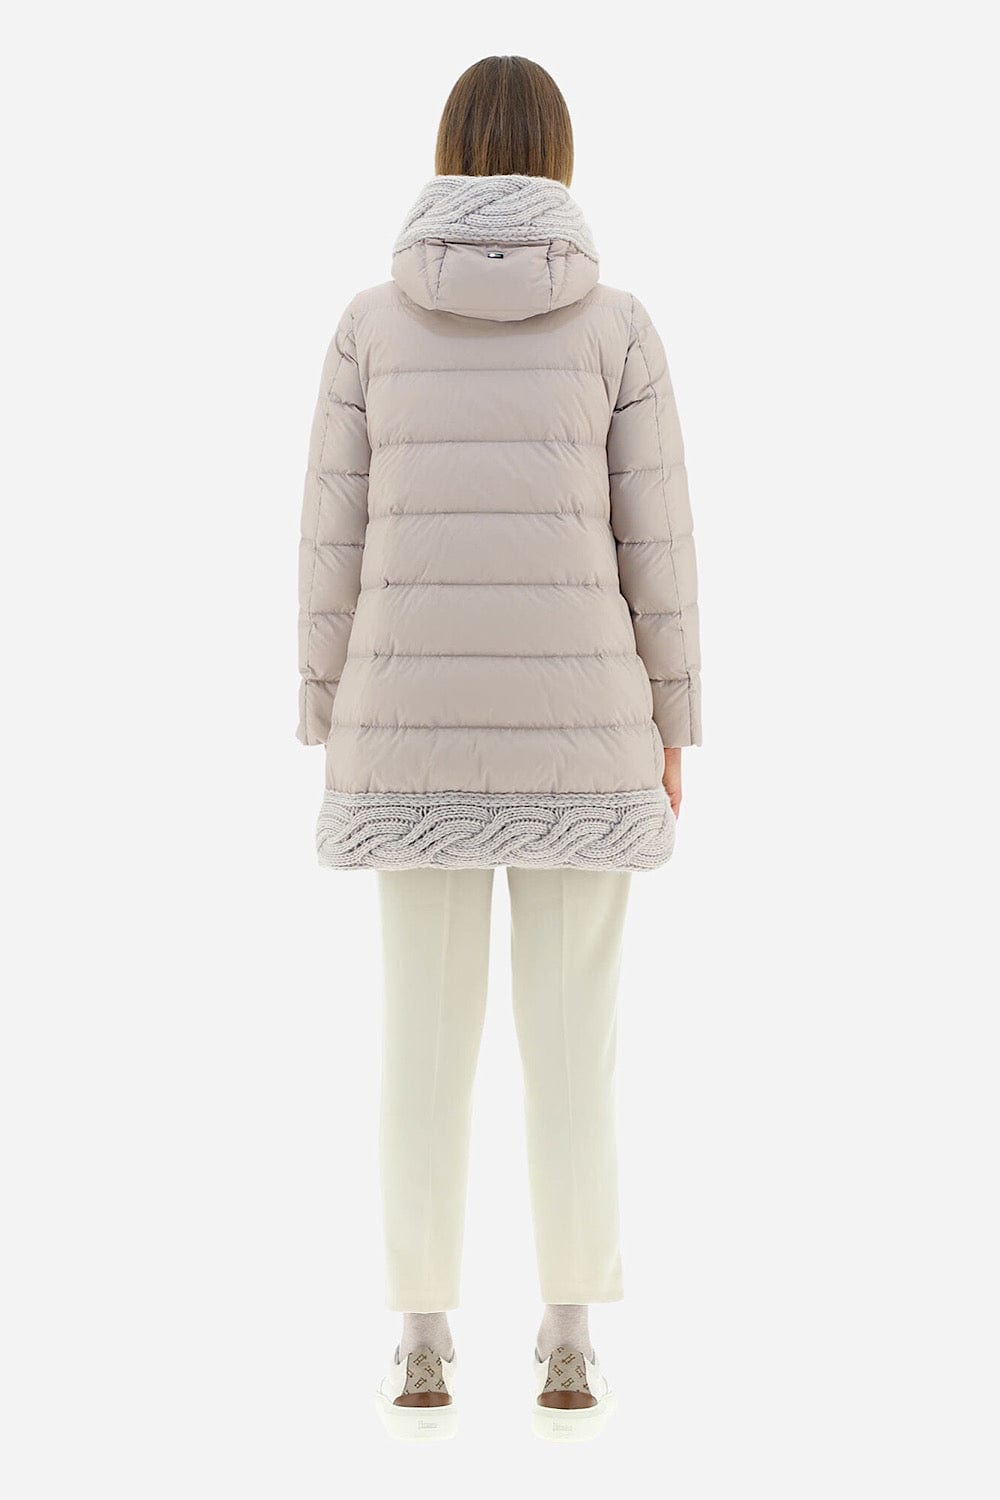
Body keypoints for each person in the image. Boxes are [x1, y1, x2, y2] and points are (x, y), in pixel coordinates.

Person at [296, 54, 702, 1443]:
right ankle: (570, 1337)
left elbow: (329, 537)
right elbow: (660, 546)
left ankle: (421, 1340)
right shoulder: (620, 327)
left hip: (406, 738)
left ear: (448, 151)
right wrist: (672, 720)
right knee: (575, 1041)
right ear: (560, 159)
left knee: (421, 1039)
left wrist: (328, 712)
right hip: (587, 733)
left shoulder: (368, 325)